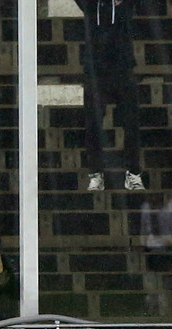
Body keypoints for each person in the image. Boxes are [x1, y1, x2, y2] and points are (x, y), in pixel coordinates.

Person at [75, 0, 144, 191]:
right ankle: (96, 175)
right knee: (93, 123)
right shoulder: (91, 5)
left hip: (123, 66)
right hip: (95, 69)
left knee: (131, 121)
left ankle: (133, 173)